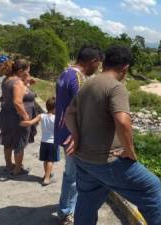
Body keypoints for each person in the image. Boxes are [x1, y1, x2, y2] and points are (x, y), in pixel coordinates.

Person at [64, 46, 161, 225]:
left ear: (104, 62)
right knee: (151, 186)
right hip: (107, 161)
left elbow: (69, 113)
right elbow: (122, 122)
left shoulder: (88, 83)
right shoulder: (116, 87)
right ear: (125, 67)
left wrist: (76, 137)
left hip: (83, 158)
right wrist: (130, 151)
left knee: (87, 200)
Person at [54, 45, 103, 225]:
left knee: (71, 174)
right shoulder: (78, 78)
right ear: (93, 61)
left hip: (63, 131)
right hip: (72, 136)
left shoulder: (65, 73)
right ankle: (67, 213)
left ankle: (66, 209)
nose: (98, 68)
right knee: (74, 177)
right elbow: (82, 110)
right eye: (98, 64)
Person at [0, 59, 35, 176]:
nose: (28, 73)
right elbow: (18, 102)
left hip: (6, 114)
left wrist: (27, 82)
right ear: (20, 71)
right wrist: (26, 118)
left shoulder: (7, 79)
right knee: (19, 143)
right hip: (17, 117)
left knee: (8, 141)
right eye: (27, 71)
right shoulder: (17, 83)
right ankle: (18, 169)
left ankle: (9, 165)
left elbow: (17, 92)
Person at [20, 97, 59, 186]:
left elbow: (30, 122)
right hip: (53, 142)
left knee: (45, 160)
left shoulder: (41, 116)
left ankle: (46, 174)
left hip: (44, 142)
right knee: (50, 160)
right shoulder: (56, 118)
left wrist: (21, 123)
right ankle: (47, 179)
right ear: (55, 108)